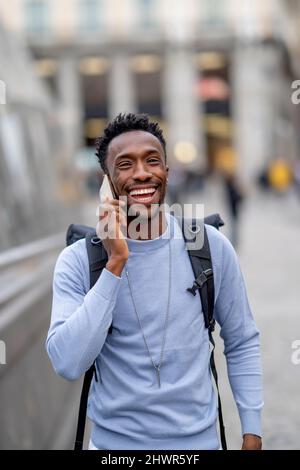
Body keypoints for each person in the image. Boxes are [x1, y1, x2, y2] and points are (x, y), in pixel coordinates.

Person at [46, 113, 263, 450]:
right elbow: (67, 362)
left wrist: (252, 431)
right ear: (106, 182)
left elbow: (241, 340)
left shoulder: (209, 246)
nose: (142, 173)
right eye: (125, 164)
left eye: (152, 161)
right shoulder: (78, 260)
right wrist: (114, 263)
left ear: (167, 172)